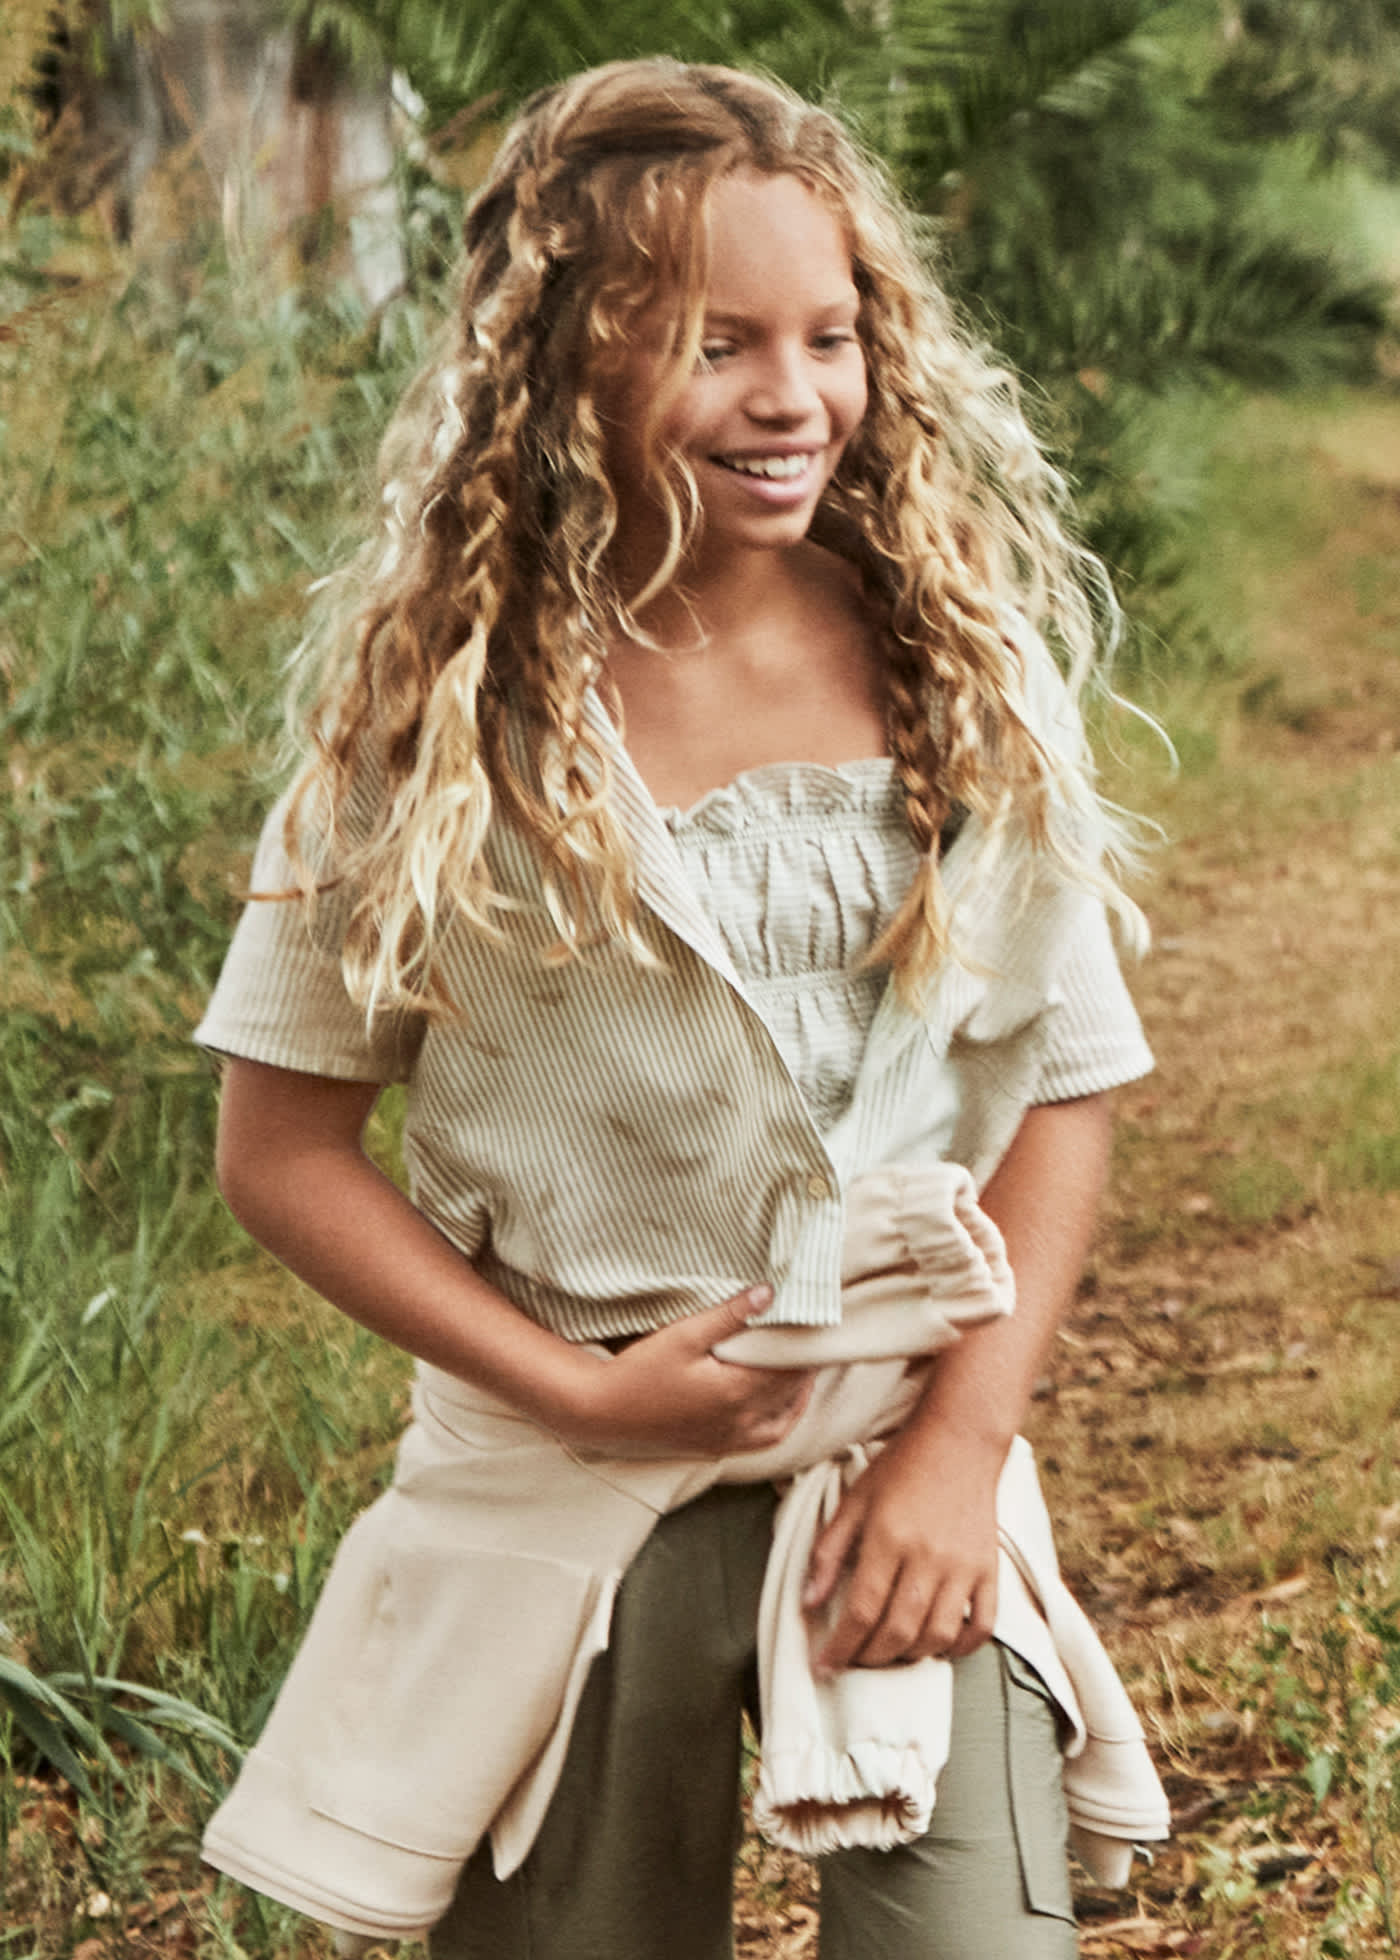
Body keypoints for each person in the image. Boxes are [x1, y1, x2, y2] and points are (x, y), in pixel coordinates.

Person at [195, 57, 1166, 1960]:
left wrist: (962, 1454)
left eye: (829, 335)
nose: (791, 398)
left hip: (897, 1466)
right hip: (567, 1473)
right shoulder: (433, 724)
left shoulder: (948, 672)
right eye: (722, 343)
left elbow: (1065, 1080)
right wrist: (582, 1388)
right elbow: (281, 1150)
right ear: (562, 357)